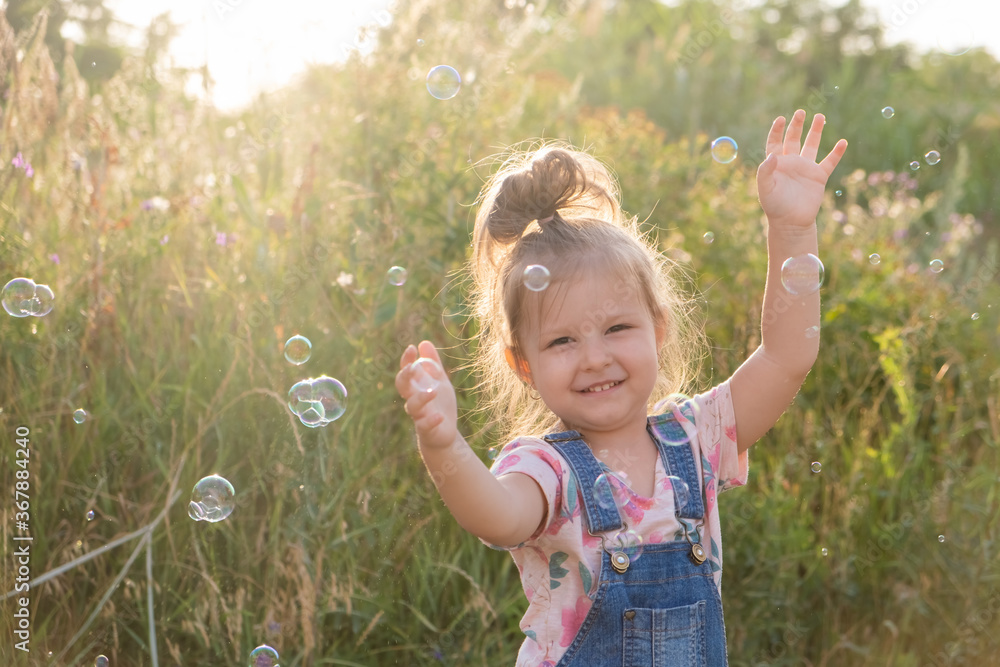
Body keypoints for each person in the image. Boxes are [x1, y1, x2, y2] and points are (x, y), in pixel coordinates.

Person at [396, 110, 847, 666]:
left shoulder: (698, 437)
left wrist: (793, 230)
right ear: (524, 365)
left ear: (657, 330)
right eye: (562, 341)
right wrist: (443, 443)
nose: (594, 358)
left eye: (617, 328)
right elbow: (496, 515)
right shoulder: (547, 470)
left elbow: (786, 356)